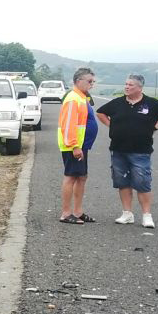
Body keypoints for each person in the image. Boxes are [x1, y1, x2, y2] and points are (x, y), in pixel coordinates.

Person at [96, 74, 158, 228]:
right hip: (118, 149)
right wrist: (111, 126)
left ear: (140, 87)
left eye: (131, 85)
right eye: (126, 84)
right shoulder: (117, 103)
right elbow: (100, 112)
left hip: (141, 150)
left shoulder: (151, 104)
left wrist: (155, 127)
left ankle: (147, 215)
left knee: (142, 182)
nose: (127, 87)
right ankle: (127, 213)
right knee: (122, 181)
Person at [56, 67, 98, 224]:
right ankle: (66, 213)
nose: (91, 84)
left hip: (81, 145)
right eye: (89, 81)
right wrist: (74, 146)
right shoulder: (73, 99)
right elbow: (69, 124)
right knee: (71, 177)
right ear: (78, 81)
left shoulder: (82, 97)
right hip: (73, 146)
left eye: (93, 81)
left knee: (81, 177)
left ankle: (78, 211)